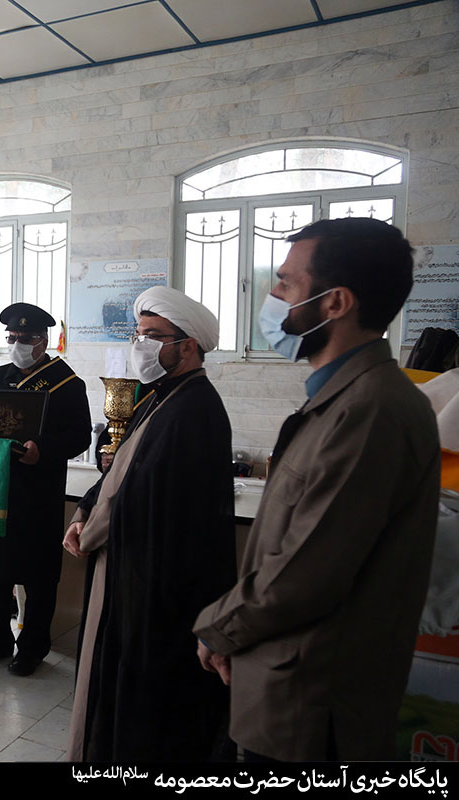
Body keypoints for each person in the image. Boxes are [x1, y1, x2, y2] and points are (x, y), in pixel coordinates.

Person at [193, 218, 440, 761]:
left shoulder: (370, 409)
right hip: (285, 681)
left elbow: (308, 570)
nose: (272, 298)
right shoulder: (340, 399)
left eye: (285, 283)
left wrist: (219, 628)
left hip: (313, 704)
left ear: (335, 303)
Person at [63, 287, 236, 761]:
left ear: (189, 346)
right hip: (125, 571)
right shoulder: (157, 398)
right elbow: (117, 470)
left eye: (155, 336)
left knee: (145, 715)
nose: (142, 345)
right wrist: (82, 514)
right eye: (139, 334)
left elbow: (141, 498)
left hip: (154, 589)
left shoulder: (195, 410)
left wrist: (95, 528)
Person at [0, 303, 90, 676]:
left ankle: (33, 646)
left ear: (44, 341)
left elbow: (79, 436)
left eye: (26, 338)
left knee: (37, 574)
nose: (18, 344)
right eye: (13, 337)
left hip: (37, 493)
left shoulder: (67, 383)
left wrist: (45, 450)